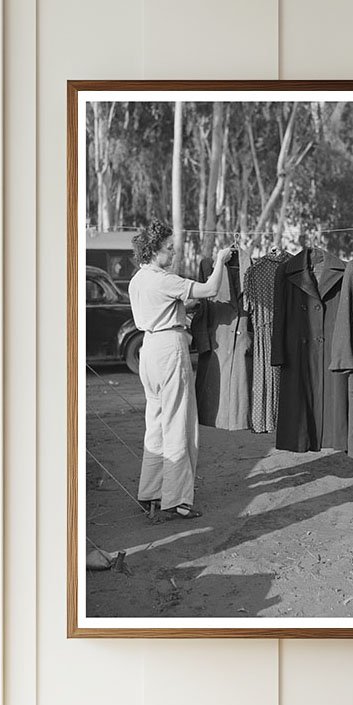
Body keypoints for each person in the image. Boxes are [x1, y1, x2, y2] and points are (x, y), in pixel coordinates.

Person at [127, 219, 232, 520]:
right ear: (154, 250)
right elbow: (210, 288)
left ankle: (150, 493)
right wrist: (221, 261)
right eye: (169, 249)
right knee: (180, 425)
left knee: (156, 424)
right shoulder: (165, 279)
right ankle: (178, 499)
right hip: (170, 349)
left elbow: (160, 307)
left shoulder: (138, 280)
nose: (173, 254)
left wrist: (180, 309)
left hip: (149, 349)